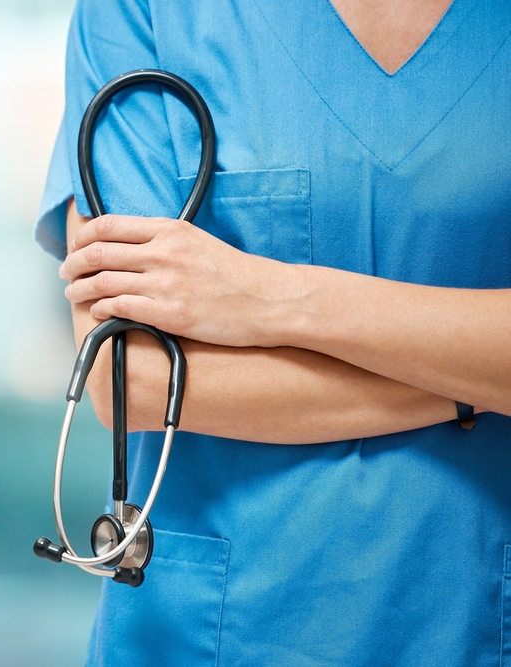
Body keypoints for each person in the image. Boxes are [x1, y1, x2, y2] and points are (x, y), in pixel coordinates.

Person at [35, 0, 511, 664]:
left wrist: (269, 296)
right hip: (214, 633)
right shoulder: (146, 14)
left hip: (474, 616)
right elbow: (130, 379)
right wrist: (475, 380)